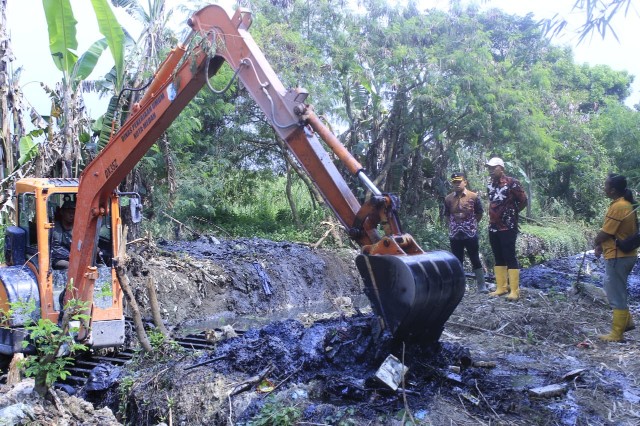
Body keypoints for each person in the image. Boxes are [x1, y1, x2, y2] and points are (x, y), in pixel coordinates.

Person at [593, 173, 638, 342]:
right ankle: (627, 322)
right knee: (616, 289)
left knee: (615, 293)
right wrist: (600, 245)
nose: (604, 188)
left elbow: (606, 232)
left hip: (618, 256)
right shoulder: (625, 204)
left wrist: (596, 241)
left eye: (606, 185)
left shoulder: (618, 206)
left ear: (612, 190)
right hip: (625, 255)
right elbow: (614, 232)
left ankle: (616, 334)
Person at [485, 157, 528, 300]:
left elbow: (523, 201)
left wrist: (511, 214)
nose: (490, 171)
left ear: (501, 168)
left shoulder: (513, 183)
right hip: (493, 226)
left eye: (493, 168)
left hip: (508, 226)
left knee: (509, 256)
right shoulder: (489, 185)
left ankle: (515, 290)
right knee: (498, 256)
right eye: (489, 168)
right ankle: (501, 287)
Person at [444, 172, 487, 293]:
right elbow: (447, 215)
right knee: (457, 260)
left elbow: (479, 213)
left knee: (474, 258)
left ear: (465, 182)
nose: (457, 184)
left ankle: (481, 286)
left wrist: (470, 225)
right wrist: (454, 225)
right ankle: (459, 287)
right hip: (455, 234)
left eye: (459, 181)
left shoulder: (473, 196)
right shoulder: (448, 199)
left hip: (470, 233)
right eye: (454, 182)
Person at [51, 199, 75, 269]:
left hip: (76, 257)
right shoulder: (54, 228)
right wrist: (70, 255)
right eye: (69, 212)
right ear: (62, 212)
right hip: (58, 258)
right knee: (70, 266)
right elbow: (55, 248)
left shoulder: (79, 227)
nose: (71, 215)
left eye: (73, 213)